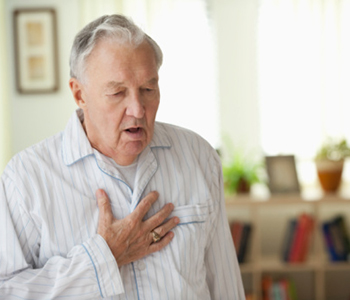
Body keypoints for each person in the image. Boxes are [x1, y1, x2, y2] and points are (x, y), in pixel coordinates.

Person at [0, 14, 245, 299]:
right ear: (79, 94)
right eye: (118, 92)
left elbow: (225, 284)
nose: (138, 110)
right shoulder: (25, 177)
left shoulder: (199, 156)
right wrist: (104, 257)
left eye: (148, 90)